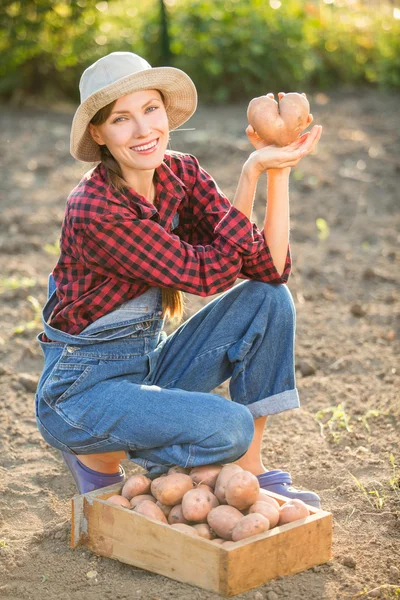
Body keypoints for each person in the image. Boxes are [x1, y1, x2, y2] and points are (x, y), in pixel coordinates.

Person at [35, 51, 323, 508]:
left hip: (147, 370)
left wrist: (278, 169)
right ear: (98, 133)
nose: (144, 129)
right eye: (121, 119)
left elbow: (269, 269)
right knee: (228, 426)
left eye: (150, 109)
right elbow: (208, 275)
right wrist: (249, 173)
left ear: (165, 111)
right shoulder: (96, 209)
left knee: (270, 299)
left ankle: (249, 468)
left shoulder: (180, 172)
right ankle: (96, 454)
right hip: (82, 391)